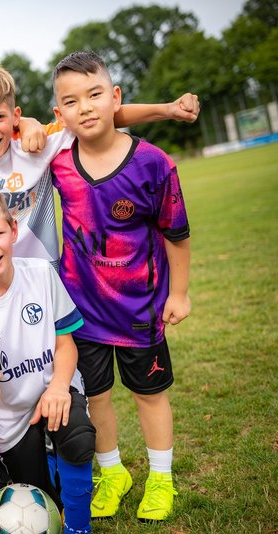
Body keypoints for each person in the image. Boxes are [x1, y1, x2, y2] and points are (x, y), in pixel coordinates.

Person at [49, 51, 191, 523]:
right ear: (59, 115)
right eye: (71, 101)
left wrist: (180, 293)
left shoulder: (153, 162)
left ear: (115, 98)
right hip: (82, 309)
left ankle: (161, 478)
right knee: (96, 397)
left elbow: (176, 233)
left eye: (94, 95)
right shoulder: (58, 162)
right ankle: (112, 473)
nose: (85, 108)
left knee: (149, 395)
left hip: (141, 309)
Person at [0, 65, 199, 269]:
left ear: (15, 116)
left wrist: (167, 110)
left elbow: (103, 115)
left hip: (44, 274)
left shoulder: (37, 142)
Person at [0, 185, 95, 534]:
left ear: (13, 230)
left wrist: (59, 386)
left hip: (54, 390)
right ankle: (37, 460)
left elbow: (66, 344)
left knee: (77, 438)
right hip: (12, 418)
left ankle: (79, 527)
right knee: (43, 496)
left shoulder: (41, 274)